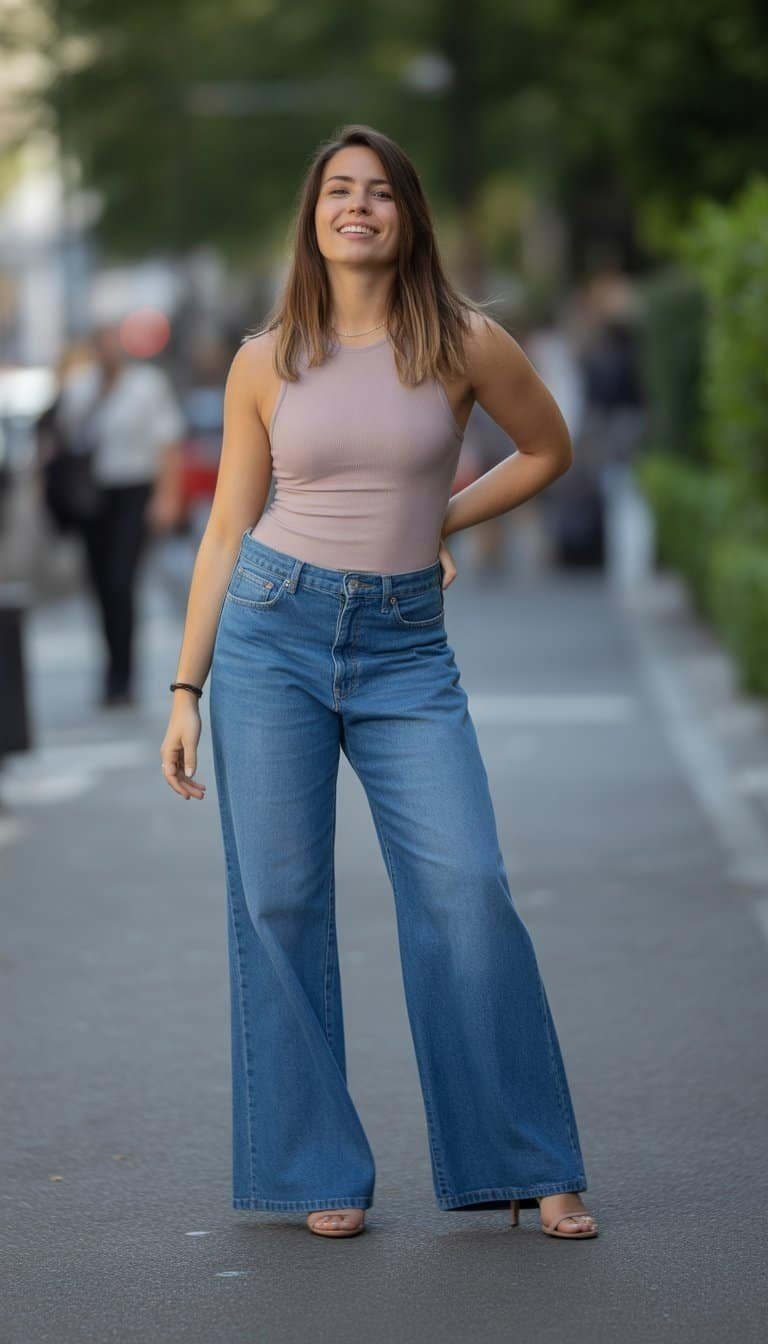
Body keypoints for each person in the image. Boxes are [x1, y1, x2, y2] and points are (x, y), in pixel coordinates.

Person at [160, 124, 598, 1242]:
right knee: (279, 902)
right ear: (313, 216)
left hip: (406, 646)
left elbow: (546, 449)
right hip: (270, 633)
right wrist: (184, 690)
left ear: (408, 216)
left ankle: (530, 1158)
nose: (359, 207)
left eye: (381, 194)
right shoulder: (268, 356)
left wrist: (437, 517)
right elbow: (224, 533)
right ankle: (316, 1167)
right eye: (339, 191)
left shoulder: (462, 339)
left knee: (467, 887)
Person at [55, 323, 186, 706]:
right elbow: (64, 439)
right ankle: (110, 668)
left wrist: (167, 496)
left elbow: (169, 443)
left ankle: (124, 677)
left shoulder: (148, 386)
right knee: (99, 586)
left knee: (120, 581)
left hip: (134, 491)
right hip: (93, 497)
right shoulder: (80, 388)